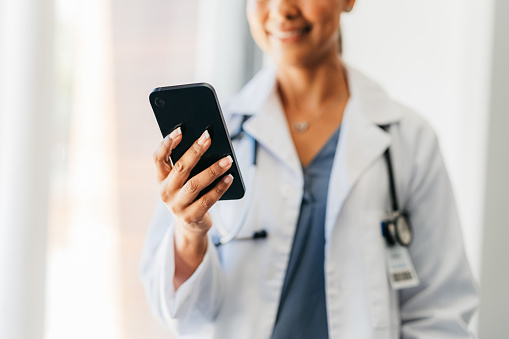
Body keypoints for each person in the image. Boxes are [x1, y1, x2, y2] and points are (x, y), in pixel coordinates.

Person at [140, 0, 479, 338]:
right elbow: (178, 310)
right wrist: (189, 232)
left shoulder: (409, 141)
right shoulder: (215, 136)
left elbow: (440, 313)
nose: (281, 9)